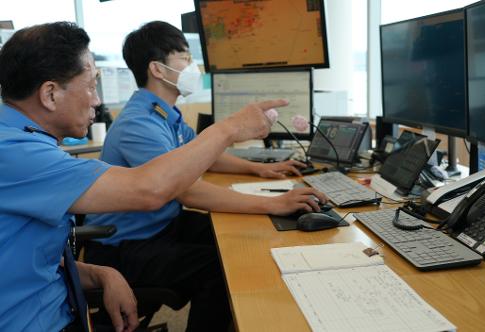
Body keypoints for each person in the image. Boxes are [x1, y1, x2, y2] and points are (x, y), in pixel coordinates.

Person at [0, 21, 297, 332]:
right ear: (49, 94)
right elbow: (153, 189)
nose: (97, 100)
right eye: (90, 86)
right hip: (69, 303)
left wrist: (101, 274)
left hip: (64, 303)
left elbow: (33, 257)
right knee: (221, 268)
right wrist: (231, 129)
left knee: (233, 243)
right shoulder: (17, 154)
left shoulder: (20, 142)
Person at [84, 21, 327, 331]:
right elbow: (188, 191)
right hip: (127, 246)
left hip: (162, 225)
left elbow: (203, 155)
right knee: (222, 268)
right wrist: (274, 202)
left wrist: (258, 168)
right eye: (185, 58)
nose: (193, 67)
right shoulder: (139, 124)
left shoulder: (165, 114)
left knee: (242, 238)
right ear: (158, 70)